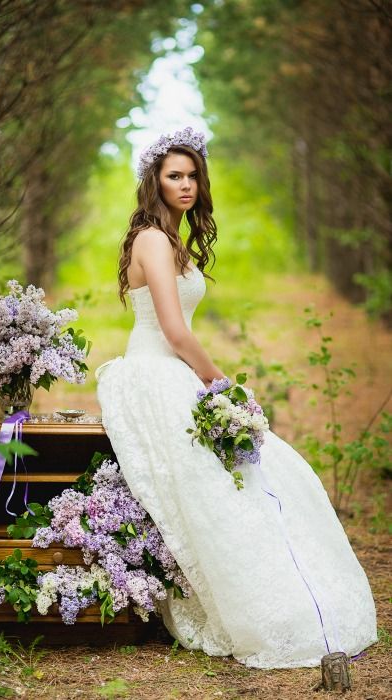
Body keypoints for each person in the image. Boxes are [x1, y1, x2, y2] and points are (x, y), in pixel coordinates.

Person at [94, 126, 377, 669]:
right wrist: (222, 386)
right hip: (155, 372)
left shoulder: (174, 240)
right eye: (174, 175)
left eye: (193, 175)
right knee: (222, 480)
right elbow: (174, 333)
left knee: (264, 473)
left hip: (177, 371)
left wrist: (215, 387)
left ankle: (290, 597)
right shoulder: (153, 240)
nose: (186, 184)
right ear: (153, 181)